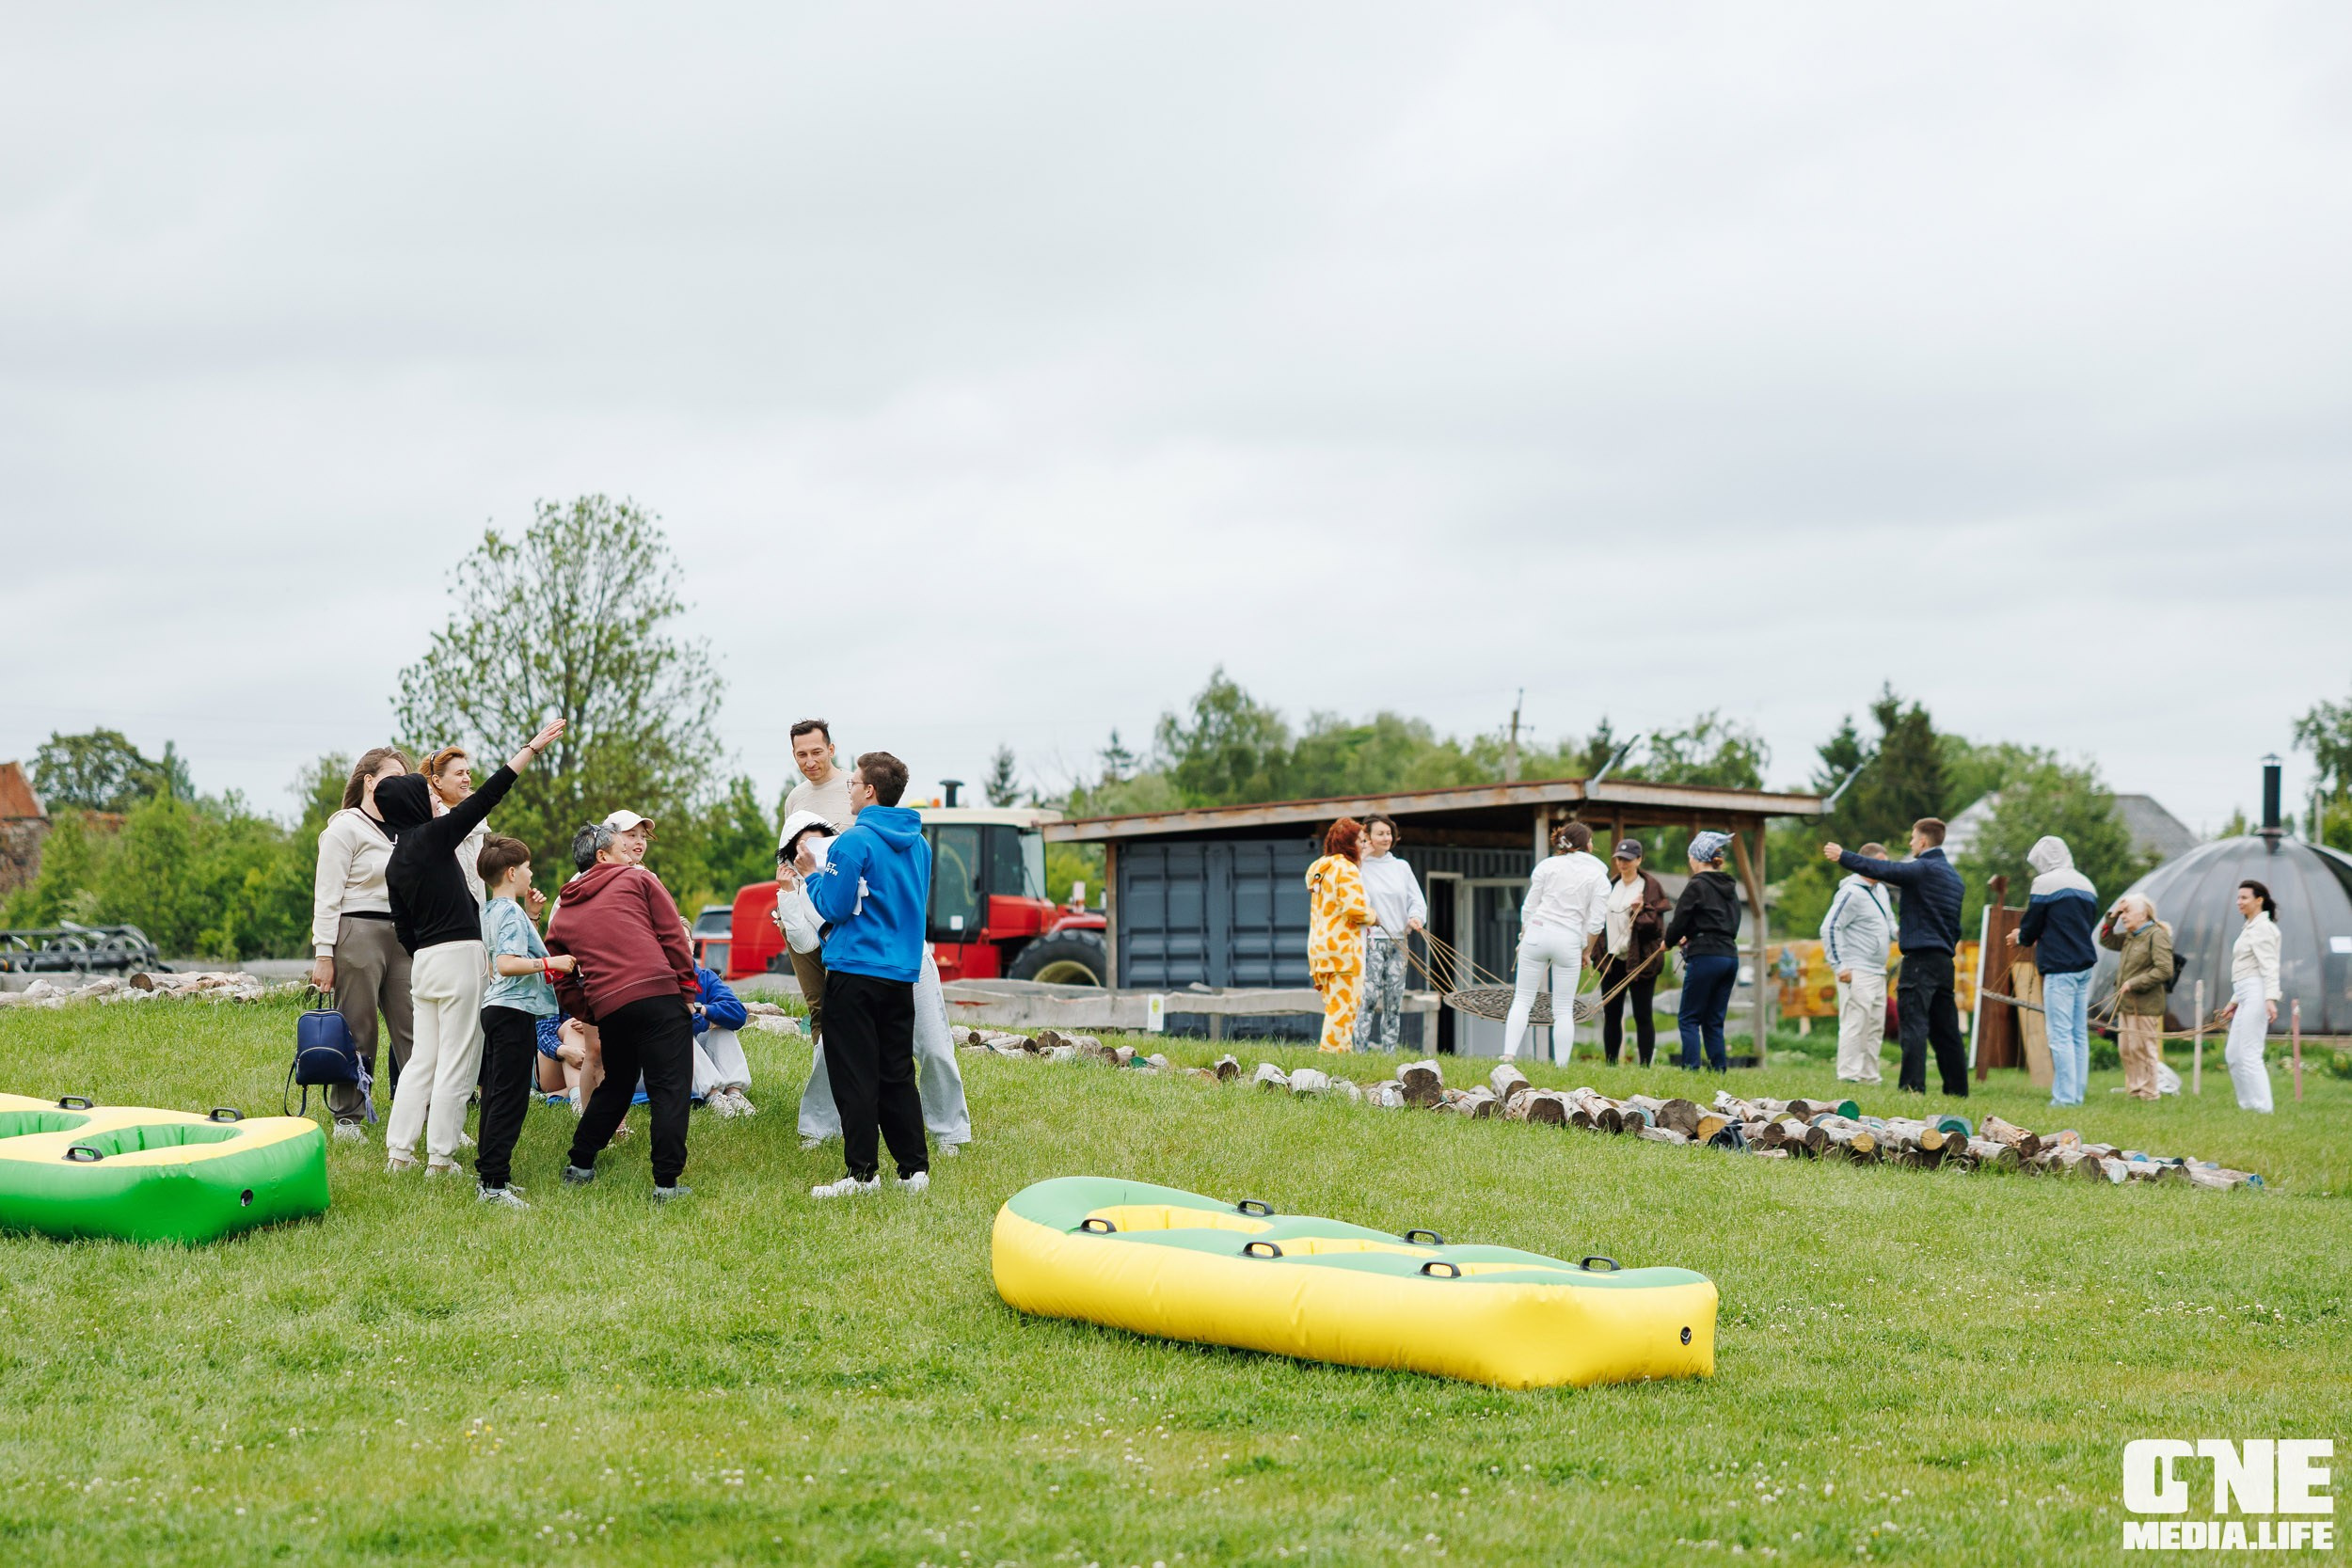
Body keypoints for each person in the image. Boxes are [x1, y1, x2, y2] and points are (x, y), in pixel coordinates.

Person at [377, 718, 566, 1175]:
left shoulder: (396, 860)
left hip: (423, 964)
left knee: (422, 1060)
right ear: (411, 804)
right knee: (458, 1064)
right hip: (460, 957)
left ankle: (399, 1154)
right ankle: (440, 1158)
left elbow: (403, 928)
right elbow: (489, 794)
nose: (430, 797)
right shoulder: (433, 838)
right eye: (422, 793)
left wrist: (427, 951)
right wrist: (531, 749)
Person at [782, 812, 971, 1152]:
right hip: (856, 970)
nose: (811, 851)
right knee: (832, 1050)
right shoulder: (802, 887)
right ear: (792, 858)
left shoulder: (856, 856)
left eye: (817, 841)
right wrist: (789, 893)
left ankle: (949, 1133)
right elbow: (806, 942)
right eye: (801, 847)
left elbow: (843, 908)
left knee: (933, 1046)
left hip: (907, 962)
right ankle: (820, 1127)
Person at [799, 752, 933, 1197]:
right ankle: (914, 1170)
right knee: (896, 1072)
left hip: (854, 971)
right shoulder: (921, 844)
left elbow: (833, 907)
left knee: (854, 1074)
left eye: (853, 783)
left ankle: (861, 1175)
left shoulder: (853, 842)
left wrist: (811, 875)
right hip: (900, 973)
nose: (849, 789)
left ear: (870, 791)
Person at [548, 820, 703, 1199]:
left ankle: (580, 1162)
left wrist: (590, 1011)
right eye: (621, 848)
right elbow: (671, 935)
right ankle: (666, 1184)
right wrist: (687, 989)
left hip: (611, 1007)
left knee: (616, 1083)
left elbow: (561, 975)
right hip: (658, 995)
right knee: (670, 1087)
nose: (629, 854)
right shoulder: (639, 880)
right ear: (602, 856)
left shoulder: (562, 914)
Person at [309, 746, 414, 1138]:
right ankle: (348, 1115)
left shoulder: (409, 828)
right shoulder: (344, 828)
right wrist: (324, 952)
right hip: (357, 931)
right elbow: (327, 894)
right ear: (369, 782)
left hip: (404, 935)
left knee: (415, 1029)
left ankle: (427, 1114)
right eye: (390, 778)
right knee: (358, 1028)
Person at [1822, 819, 1966, 1097]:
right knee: (1946, 1029)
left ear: (1923, 842)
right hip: (1944, 961)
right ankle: (1957, 1089)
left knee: (1914, 1024)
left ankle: (1912, 1087)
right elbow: (1955, 927)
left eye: (1913, 838)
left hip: (1920, 961)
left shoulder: (1923, 869)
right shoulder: (1954, 879)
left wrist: (1844, 856)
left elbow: (1882, 869)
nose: (1911, 844)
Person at [474, 834, 572, 1208]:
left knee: (494, 1095)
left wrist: (532, 916)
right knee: (510, 1099)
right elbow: (507, 963)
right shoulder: (510, 913)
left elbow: (507, 947)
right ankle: (494, 1185)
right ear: (512, 872)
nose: (531, 873)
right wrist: (552, 962)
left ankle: (491, 1175)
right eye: (528, 867)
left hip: (495, 1010)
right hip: (515, 1010)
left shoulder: (491, 910)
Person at [1501, 822, 1611, 1064]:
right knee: (1562, 1009)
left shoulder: (1547, 866)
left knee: (1522, 999)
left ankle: (1508, 1054)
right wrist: (1587, 951)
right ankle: (1561, 1067)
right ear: (1585, 844)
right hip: (1569, 939)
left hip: (1537, 933)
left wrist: (1523, 938)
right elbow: (1595, 925)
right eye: (1591, 839)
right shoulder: (1599, 877)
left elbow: (1528, 907)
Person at [2016, 834, 2100, 1107]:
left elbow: (2032, 924)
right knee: (2077, 1033)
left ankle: (2064, 1099)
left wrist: (2021, 937)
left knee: (2060, 1034)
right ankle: (2077, 1093)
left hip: (2060, 967)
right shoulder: (2086, 884)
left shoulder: (2045, 883)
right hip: (2084, 964)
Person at [780, 720, 850, 1043]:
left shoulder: (856, 788)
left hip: (845, 912)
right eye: (801, 754)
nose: (809, 762)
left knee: (850, 1002)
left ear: (831, 749)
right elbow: (788, 855)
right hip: (803, 910)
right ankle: (825, 1084)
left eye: (817, 752)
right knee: (818, 1004)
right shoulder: (795, 799)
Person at [1589, 839, 1673, 1067]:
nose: (1622, 863)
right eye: (1619, 859)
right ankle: (1611, 1064)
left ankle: (1645, 1065)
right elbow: (1598, 922)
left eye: (1627, 859)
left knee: (1642, 1014)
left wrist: (1640, 910)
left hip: (1641, 960)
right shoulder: (1611, 886)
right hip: (1612, 959)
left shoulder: (1650, 887)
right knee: (1612, 1014)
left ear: (1639, 860)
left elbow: (1656, 928)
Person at [1665, 831, 1743, 1071]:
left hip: (1706, 956)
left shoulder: (1697, 885)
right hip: (1729, 955)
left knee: (1689, 1017)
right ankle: (1718, 1070)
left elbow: (1680, 919)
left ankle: (1691, 1069)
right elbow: (1728, 921)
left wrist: (1668, 942)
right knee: (1714, 1019)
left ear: (1697, 857)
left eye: (1690, 855)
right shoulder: (1729, 887)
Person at [1820, 842, 1896, 1085]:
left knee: (1875, 1025)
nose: (1884, 867)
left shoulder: (1881, 890)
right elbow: (1830, 926)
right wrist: (1839, 965)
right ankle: (1848, 1076)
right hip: (1856, 969)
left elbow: (1890, 922)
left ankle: (1869, 1076)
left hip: (1878, 970)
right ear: (1866, 863)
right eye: (1880, 862)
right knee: (1855, 1023)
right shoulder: (1851, 892)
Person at [1305, 818, 1378, 1053]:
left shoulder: (1319, 867)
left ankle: (1336, 1056)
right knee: (1344, 1008)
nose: (1363, 844)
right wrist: (1373, 916)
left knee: (1334, 1007)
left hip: (1320, 949)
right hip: (1344, 951)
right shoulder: (1346, 869)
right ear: (1349, 842)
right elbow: (1354, 911)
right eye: (1360, 840)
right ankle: (1331, 1058)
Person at [1354, 815, 1426, 1052]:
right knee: (1368, 998)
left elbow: (1416, 900)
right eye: (1380, 834)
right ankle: (1359, 1050)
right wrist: (1360, 857)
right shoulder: (1358, 867)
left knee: (1393, 1000)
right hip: (1371, 941)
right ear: (1367, 837)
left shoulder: (1401, 867)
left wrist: (1416, 917)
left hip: (1398, 942)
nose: (1386, 838)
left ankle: (1389, 1052)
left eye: (1389, 833)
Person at [2099, 893, 2174, 1102]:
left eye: (2128, 911)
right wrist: (2113, 915)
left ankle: (2150, 1093)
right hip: (2126, 1004)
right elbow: (2105, 939)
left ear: (2143, 914)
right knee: (2127, 1048)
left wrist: (2134, 982)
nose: (2124, 916)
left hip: (2146, 1004)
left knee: (2144, 1048)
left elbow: (2165, 970)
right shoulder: (2130, 937)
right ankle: (2135, 1091)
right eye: (2123, 912)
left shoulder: (2156, 935)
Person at [679, 917, 755, 1117]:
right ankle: (713, 1095)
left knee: (723, 1030)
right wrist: (708, 1020)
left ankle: (734, 1094)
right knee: (679, 1035)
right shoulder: (661, 980)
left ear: (692, 945)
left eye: (685, 939)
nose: (681, 944)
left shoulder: (705, 977)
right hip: (669, 1059)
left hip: (700, 1051)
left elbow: (738, 1014)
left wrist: (702, 1010)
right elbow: (679, 1024)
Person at [2219, 879, 2280, 1114]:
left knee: (2250, 1052)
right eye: (2238, 898)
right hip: (2245, 992)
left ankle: (2264, 1108)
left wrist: (2270, 998)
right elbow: (2248, 969)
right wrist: (2234, 1002)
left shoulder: (2263, 928)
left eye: (2244, 897)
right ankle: (2247, 1107)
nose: (2239, 902)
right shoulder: (2250, 927)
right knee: (2233, 1054)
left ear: (2259, 900)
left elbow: (2268, 967)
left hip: (2258, 992)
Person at [421, 747, 489, 908]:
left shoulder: (479, 818)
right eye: (459, 774)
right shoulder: (427, 819)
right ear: (437, 780)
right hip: (446, 915)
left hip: (479, 914)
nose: (467, 779)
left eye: (468, 773)